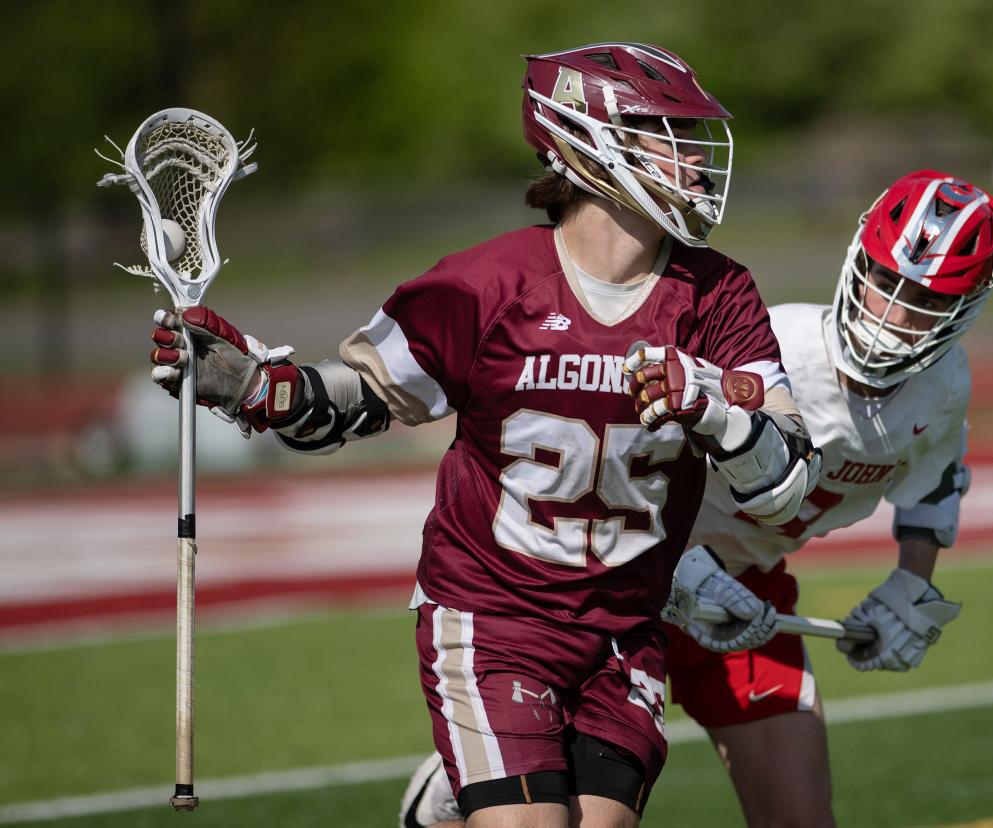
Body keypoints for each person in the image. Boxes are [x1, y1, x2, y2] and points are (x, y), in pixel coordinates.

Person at [149, 43, 822, 828]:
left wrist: (712, 406)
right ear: (585, 142)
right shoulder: (485, 287)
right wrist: (258, 387)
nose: (693, 158)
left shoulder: (719, 294)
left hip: (626, 628)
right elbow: (365, 396)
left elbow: (787, 478)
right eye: (664, 132)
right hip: (494, 616)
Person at [402, 170, 993, 827]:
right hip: (622, 586)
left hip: (746, 600)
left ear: (965, 308)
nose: (890, 312)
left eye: (922, 297)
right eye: (884, 281)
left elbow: (935, 481)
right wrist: (682, 570)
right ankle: (468, 777)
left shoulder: (945, 385)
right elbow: (613, 456)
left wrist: (910, 584)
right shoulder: (777, 349)